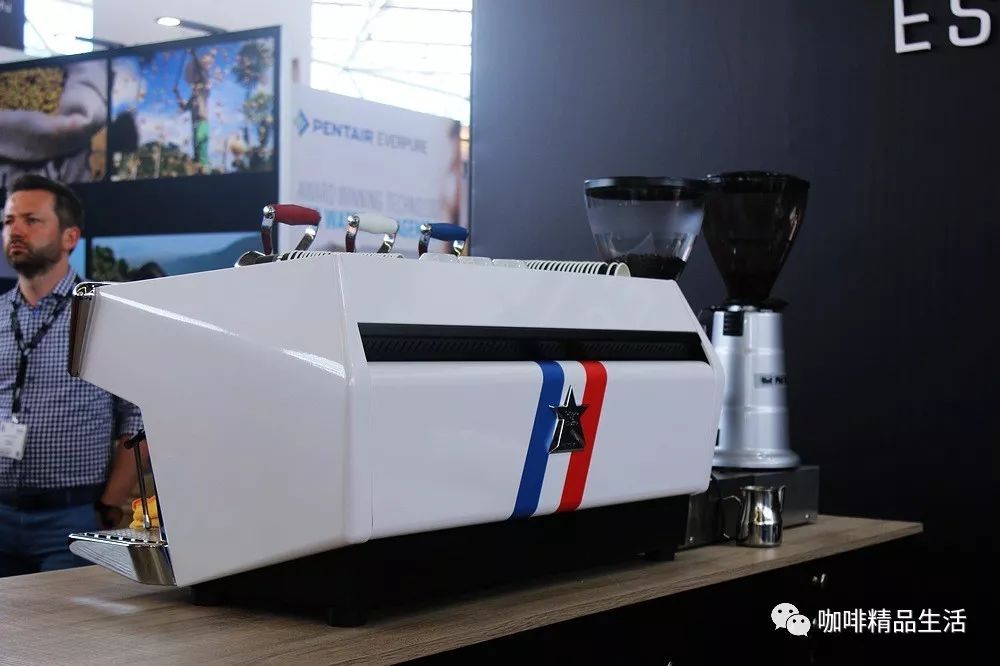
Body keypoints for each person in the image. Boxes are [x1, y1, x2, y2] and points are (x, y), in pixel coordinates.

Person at [0, 174, 148, 577]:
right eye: (9, 220)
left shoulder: (102, 314)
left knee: (61, 620)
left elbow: (137, 416)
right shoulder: (1, 314)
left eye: (32, 220)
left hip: (73, 515)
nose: (15, 230)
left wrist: (110, 502)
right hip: (2, 511)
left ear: (70, 237)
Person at [173, 48, 214, 174]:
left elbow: (201, 71)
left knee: (202, 150)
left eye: (197, 83)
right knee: (196, 151)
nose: (195, 85)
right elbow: (183, 107)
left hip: (202, 123)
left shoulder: (204, 92)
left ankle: (206, 172)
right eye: (194, 83)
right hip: (195, 125)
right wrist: (177, 93)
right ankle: (199, 172)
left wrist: (194, 55)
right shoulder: (193, 98)